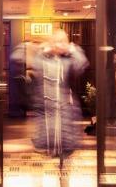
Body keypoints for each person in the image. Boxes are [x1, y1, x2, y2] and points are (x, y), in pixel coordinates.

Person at [31, 29, 89, 162]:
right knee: (48, 151)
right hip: (47, 110)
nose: (59, 45)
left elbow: (82, 65)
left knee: (67, 150)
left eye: (62, 41)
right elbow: (36, 67)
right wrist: (43, 51)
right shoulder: (43, 56)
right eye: (56, 42)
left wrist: (71, 50)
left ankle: (64, 175)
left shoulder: (71, 56)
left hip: (65, 109)